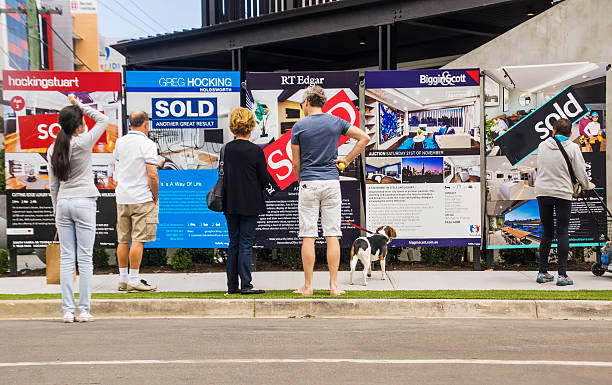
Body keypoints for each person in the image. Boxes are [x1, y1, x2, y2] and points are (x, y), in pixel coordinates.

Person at [291, 85, 370, 296]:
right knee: (332, 235)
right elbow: (364, 138)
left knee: (308, 235)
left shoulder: (299, 126)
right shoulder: (336, 121)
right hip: (332, 183)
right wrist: (346, 159)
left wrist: (301, 180)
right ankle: (334, 286)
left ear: (307, 102)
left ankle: (308, 287)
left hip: (308, 182)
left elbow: (296, 163)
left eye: (302, 103)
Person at [48, 94, 110, 323]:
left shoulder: (53, 148)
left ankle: (67, 311)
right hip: (84, 201)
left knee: (67, 259)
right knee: (84, 259)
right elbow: (102, 120)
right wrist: (79, 104)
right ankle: (83, 310)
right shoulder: (83, 142)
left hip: (63, 202)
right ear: (78, 126)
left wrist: (56, 211)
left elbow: (53, 185)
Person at [534, 118, 594, 286]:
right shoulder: (574, 148)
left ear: (553, 131)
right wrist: (587, 185)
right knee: (562, 232)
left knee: (547, 232)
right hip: (562, 193)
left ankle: (542, 272)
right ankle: (562, 275)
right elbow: (581, 172)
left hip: (543, 192)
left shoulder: (542, 145)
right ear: (571, 133)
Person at [222, 107, 268, 295]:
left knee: (233, 243)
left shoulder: (226, 149)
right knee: (246, 243)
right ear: (251, 126)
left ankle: (232, 286)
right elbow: (265, 180)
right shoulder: (256, 150)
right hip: (250, 203)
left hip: (230, 202)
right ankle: (247, 285)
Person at [114, 111, 159, 292]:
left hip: (122, 197)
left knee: (123, 240)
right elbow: (152, 174)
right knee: (138, 240)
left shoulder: (120, 142)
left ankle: (123, 280)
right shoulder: (147, 144)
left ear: (130, 123)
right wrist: (155, 195)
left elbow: (118, 160)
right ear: (146, 125)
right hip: (141, 198)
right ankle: (134, 280)